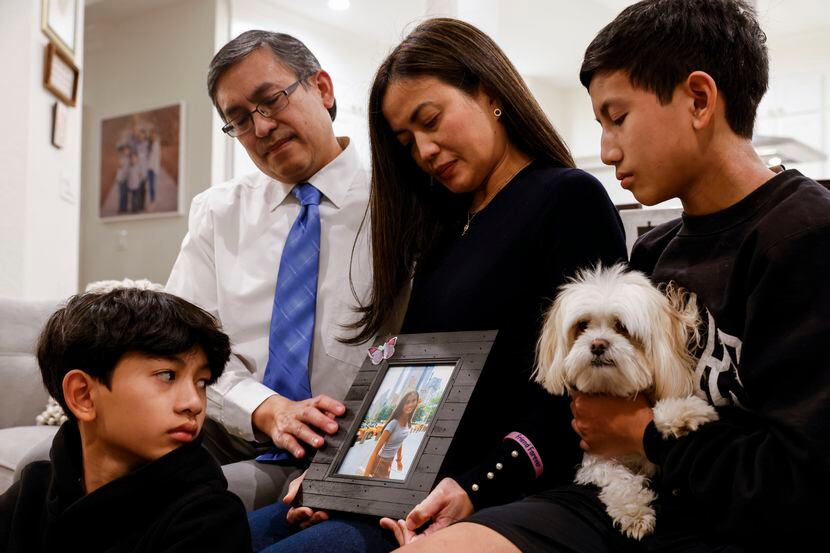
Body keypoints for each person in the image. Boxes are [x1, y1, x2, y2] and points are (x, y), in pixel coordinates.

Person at [410, 1, 830, 551]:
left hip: (736, 522)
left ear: (698, 100)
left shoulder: (802, 238)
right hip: (624, 495)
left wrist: (643, 434)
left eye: (618, 117)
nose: (606, 150)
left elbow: (801, 482)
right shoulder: (653, 250)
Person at [247, 17, 626, 552]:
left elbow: (581, 396)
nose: (423, 151)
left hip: (497, 494)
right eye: (406, 141)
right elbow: (407, 375)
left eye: (431, 121)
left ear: (489, 92)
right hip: (403, 483)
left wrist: (475, 487)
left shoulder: (568, 198)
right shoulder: (443, 226)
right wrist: (339, 473)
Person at [165, 30, 372, 510]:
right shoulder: (218, 212)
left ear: (322, 88)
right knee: (61, 465)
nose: (260, 128)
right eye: (238, 119)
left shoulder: (400, 202)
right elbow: (181, 347)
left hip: (348, 435)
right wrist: (264, 407)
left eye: (270, 100)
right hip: (230, 426)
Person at [0, 287, 252, 553]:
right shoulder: (30, 494)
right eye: (167, 375)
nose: (194, 403)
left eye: (201, 382)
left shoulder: (209, 520)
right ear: (83, 395)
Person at [363, 391, 419, 479]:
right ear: (402, 405)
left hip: (390, 461)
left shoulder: (408, 424)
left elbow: (400, 442)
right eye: (407, 402)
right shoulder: (393, 424)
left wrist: (399, 460)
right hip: (381, 462)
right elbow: (375, 451)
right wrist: (364, 478)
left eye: (413, 401)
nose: (410, 404)